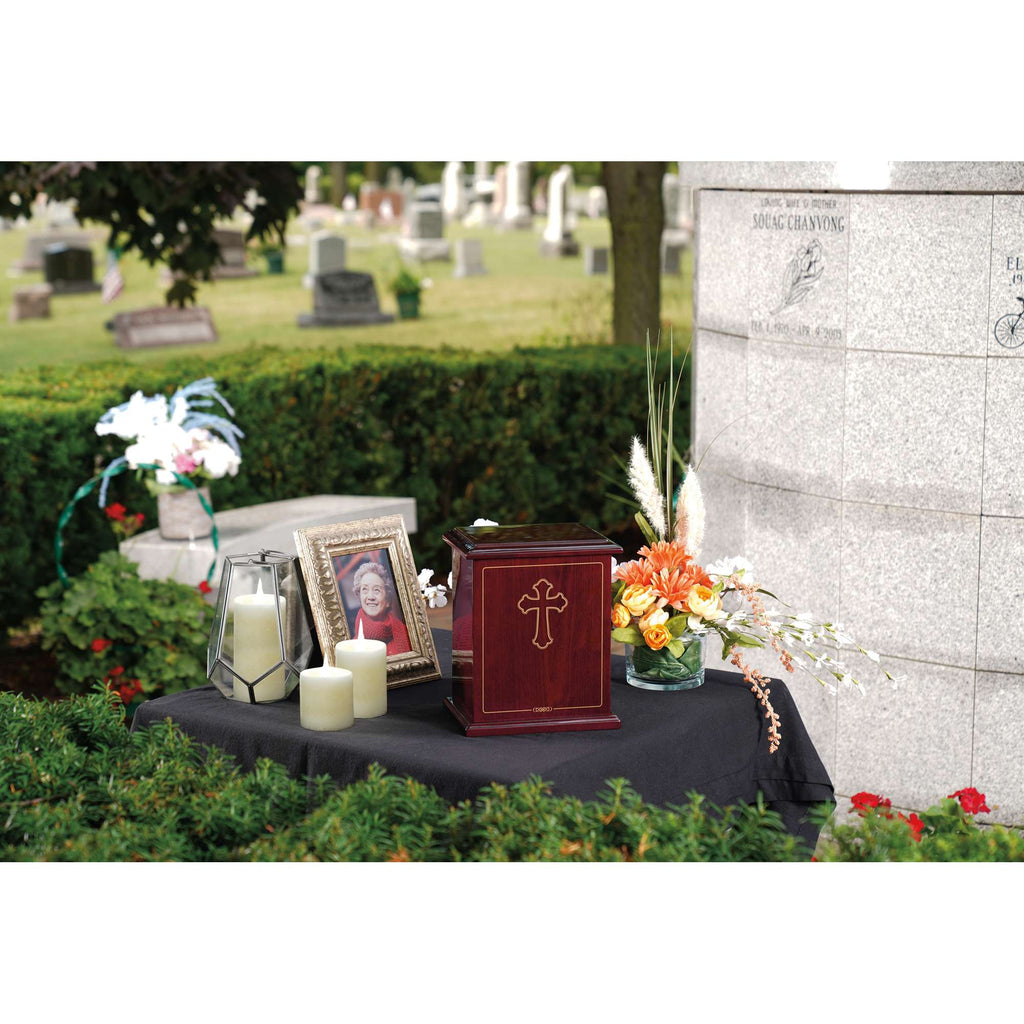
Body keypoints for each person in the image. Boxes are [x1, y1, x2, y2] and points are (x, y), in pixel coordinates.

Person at [351, 561, 411, 655]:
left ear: (387, 601)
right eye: (365, 589)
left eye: (377, 590)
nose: (370, 597)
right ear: (360, 597)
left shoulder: (408, 634)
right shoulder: (351, 649)